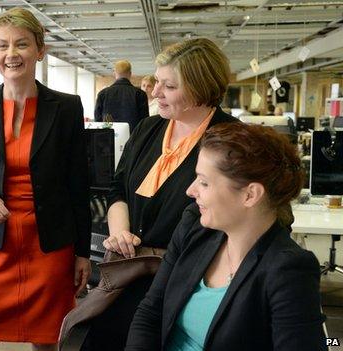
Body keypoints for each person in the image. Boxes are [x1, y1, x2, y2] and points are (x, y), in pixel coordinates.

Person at [0, 7, 91, 351]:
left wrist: (83, 252)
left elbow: (78, 185)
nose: (11, 54)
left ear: (40, 50)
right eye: (2, 46)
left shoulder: (67, 107)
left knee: (48, 340)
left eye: (21, 44)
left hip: (51, 243)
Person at [85, 38, 237, 350]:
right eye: (157, 82)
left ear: (197, 88)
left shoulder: (232, 140)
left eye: (168, 86)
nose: (154, 93)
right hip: (127, 269)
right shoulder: (147, 129)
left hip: (186, 276)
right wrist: (119, 232)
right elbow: (118, 189)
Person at [126, 123, 326, 350]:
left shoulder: (287, 269)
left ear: (250, 195)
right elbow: (151, 311)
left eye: (204, 182)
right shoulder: (195, 226)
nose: (190, 191)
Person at [94, 60, 149, 132]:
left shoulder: (103, 94)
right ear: (130, 74)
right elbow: (144, 122)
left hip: (110, 138)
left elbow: (98, 120)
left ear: (115, 73)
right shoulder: (140, 94)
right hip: (133, 139)